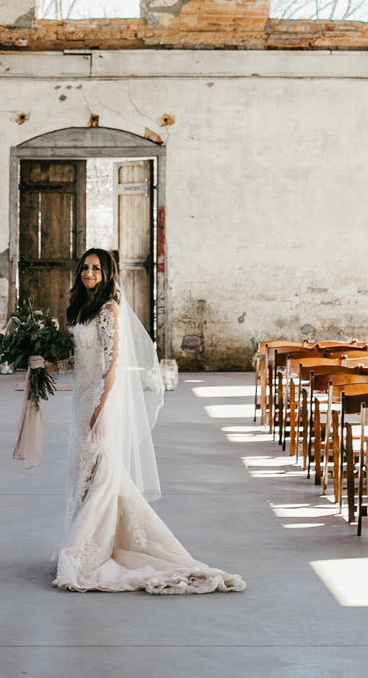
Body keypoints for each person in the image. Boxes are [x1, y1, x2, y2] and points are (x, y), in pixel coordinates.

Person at [53, 247, 243, 595]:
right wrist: (52, 367)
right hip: (81, 401)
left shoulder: (109, 310)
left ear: (107, 274)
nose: (89, 273)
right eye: (85, 267)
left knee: (102, 473)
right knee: (88, 471)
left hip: (99, 401)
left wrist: (100, 406)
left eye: (96, 268)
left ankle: (86, 550)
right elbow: (82, 358)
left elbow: (112, 367)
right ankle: (87, 543)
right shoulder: (82, 310)